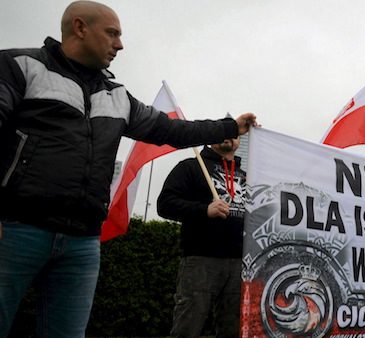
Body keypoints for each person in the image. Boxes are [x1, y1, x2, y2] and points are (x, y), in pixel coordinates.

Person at [0, 1, 257, 336]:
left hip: (83, 241)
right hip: (17, 229)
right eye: (112, 34)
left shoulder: (118, 96)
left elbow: (172, 131)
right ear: (80, 28)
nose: (120, 44)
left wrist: (228, 126)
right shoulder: (18, 66)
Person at [158, 136, 247, 338]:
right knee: (188, 326)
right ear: (211, 137)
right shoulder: (190, 167)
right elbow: (165, 204)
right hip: (200, 260)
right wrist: (204, 210)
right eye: (222, 132)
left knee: (234, 329)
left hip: (240, 263)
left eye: (234, 134)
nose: (228, 138)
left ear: (239, 141)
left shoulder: (246, 176)